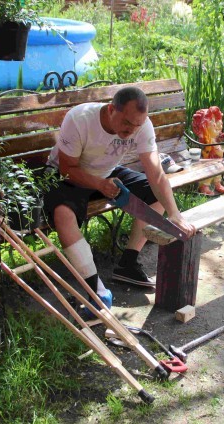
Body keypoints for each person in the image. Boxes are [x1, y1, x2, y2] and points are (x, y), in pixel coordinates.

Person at [43, 86, 196, 310]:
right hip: (65, 176)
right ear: (111, 109)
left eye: (137, 126)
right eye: (127, 124)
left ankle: (128, 264)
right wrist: (99, 184)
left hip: (106, 174)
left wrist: (174, 213)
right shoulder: (80, 118)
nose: (132, 131)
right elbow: (67, 168)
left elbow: (155, 172)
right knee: (63, 214)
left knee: (156, 195)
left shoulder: (141, 124)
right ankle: (94, 288)